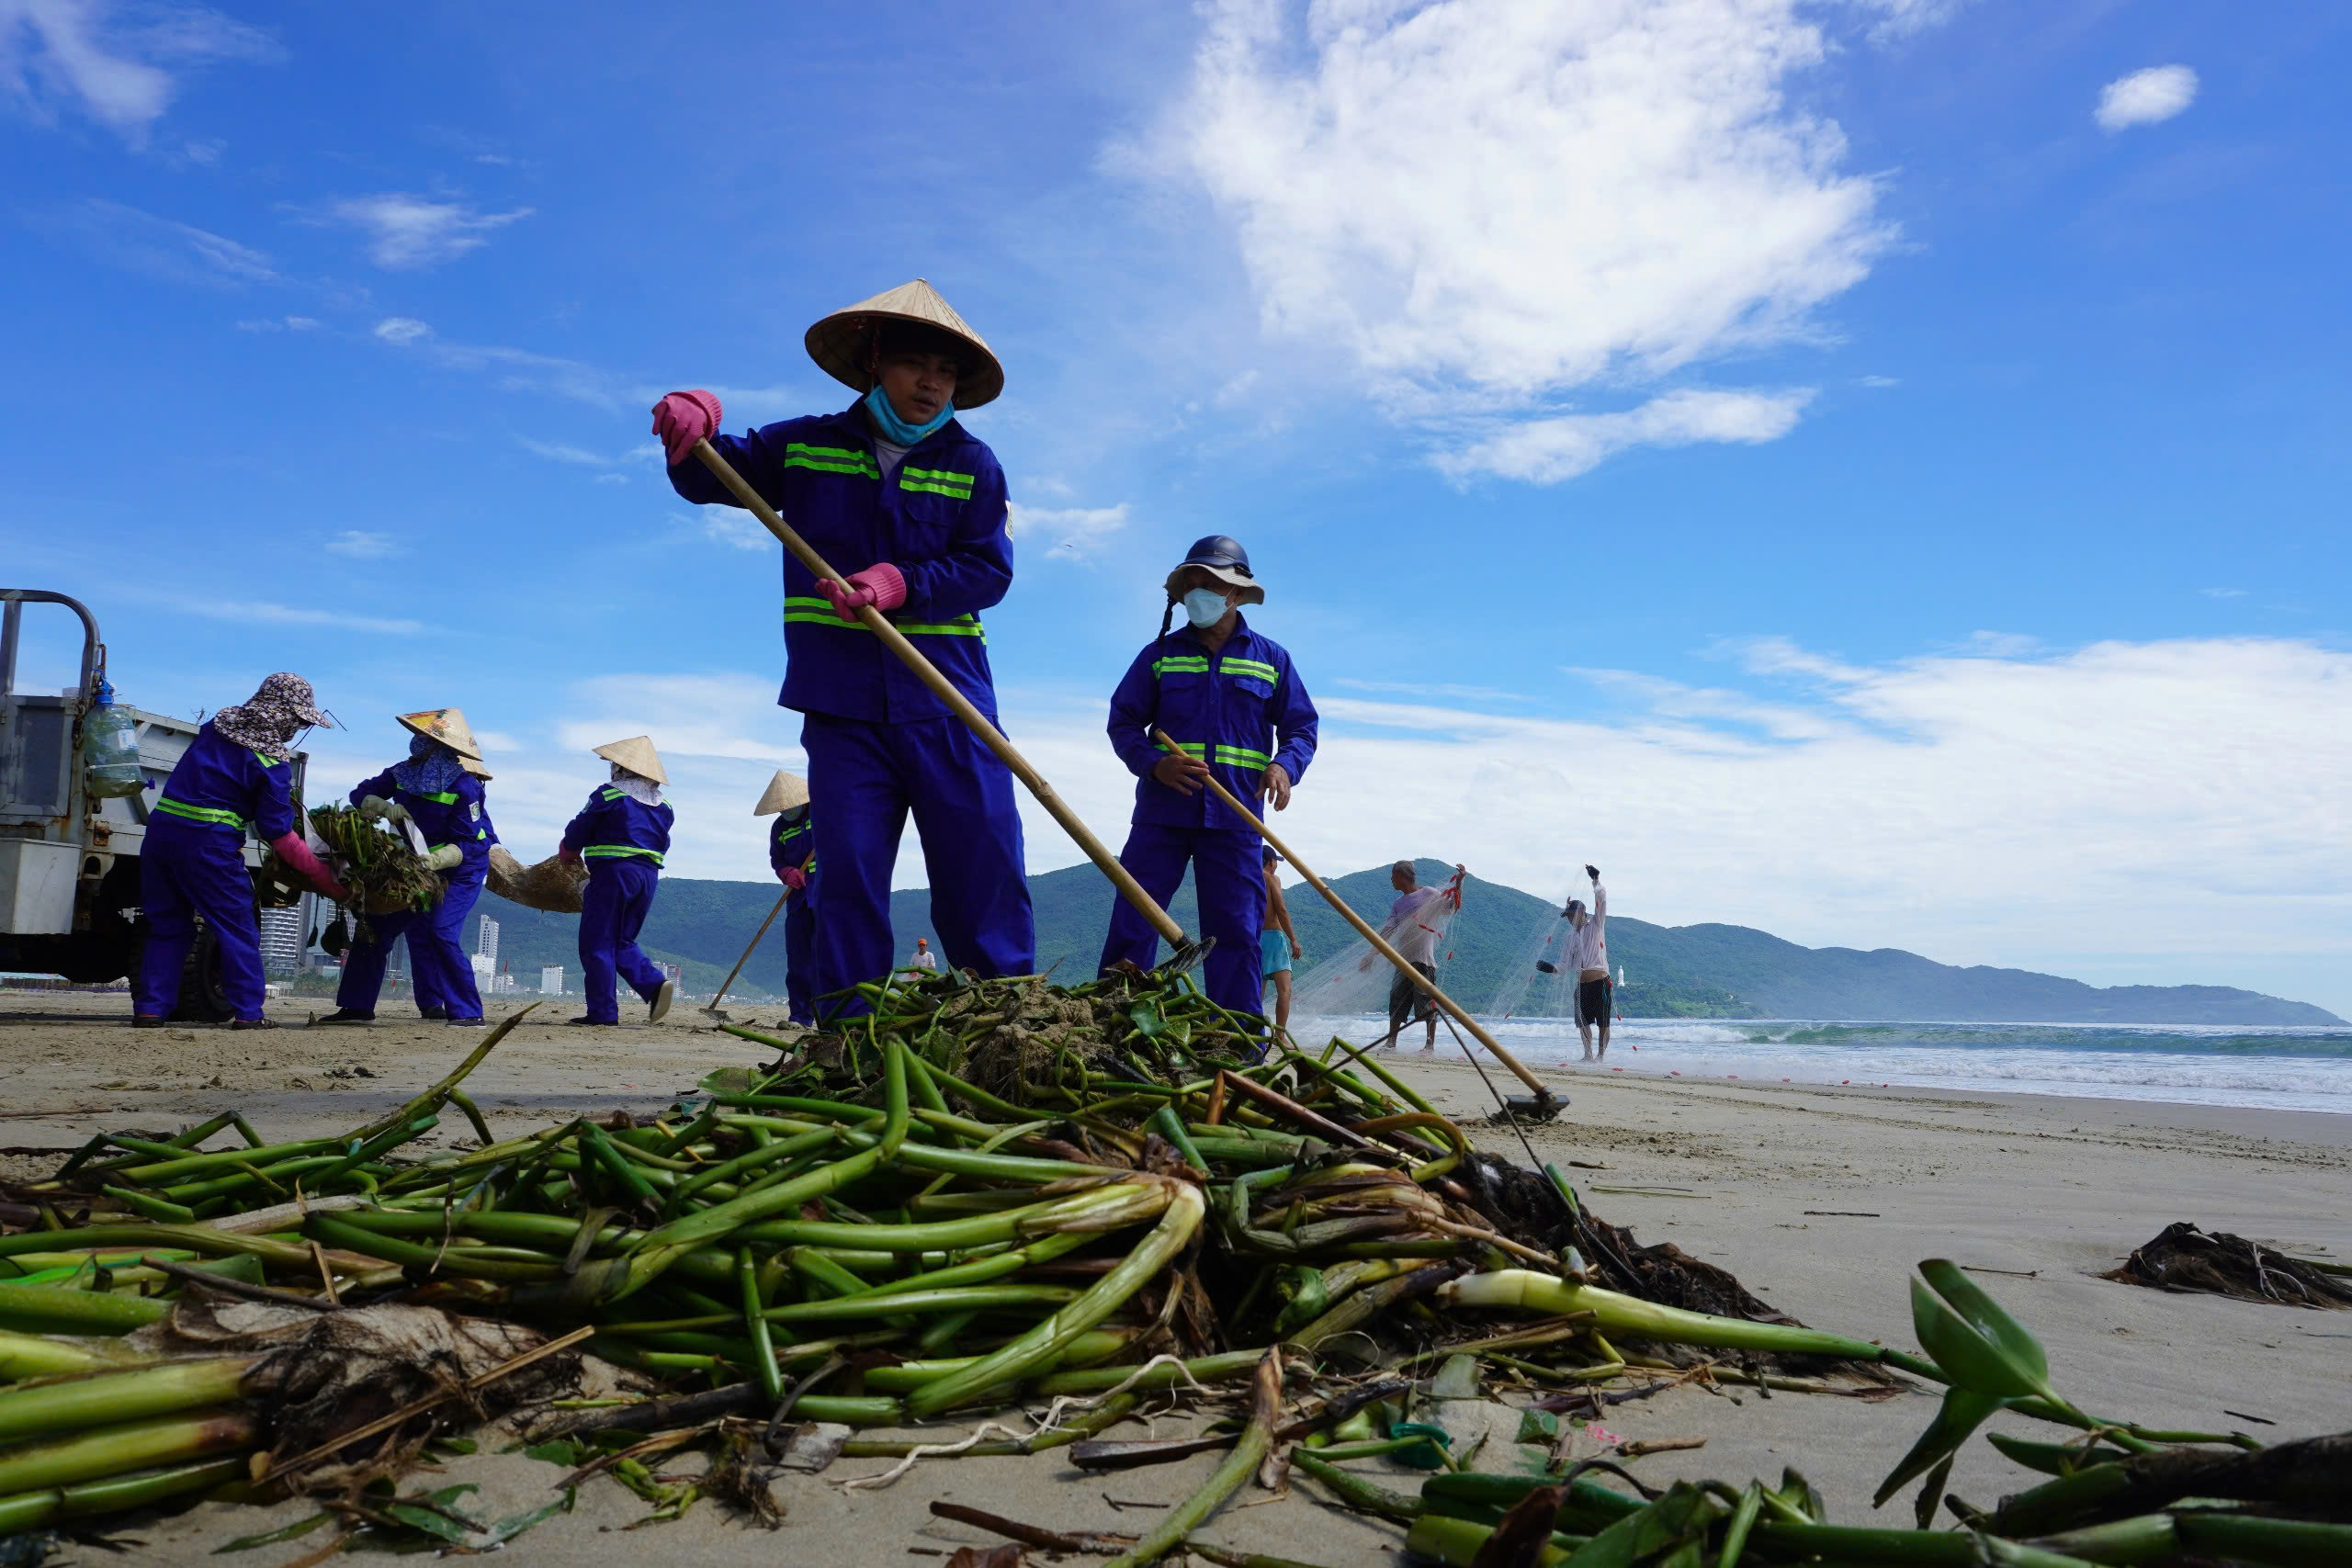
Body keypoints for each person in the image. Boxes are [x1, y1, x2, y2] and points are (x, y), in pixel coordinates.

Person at [653, 279, 1033, 1021]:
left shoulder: (975, 465)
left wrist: (903, 581)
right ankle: (846, 1038)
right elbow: (709, 473)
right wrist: (690, 425)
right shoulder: (804, 445)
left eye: (946, 373)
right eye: (917, 364)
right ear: (874, 364)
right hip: (842, 706)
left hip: (947, 703)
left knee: (981, 862)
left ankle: (1005, 1021)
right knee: (849, 874)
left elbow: (989, 572)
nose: (932, 383)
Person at [1098, 536, 1317, 1019]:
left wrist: (1284, 766)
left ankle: (1238, 1044)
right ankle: (1112, 1022)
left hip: (1237, 818)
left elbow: (1302, 727)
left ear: (1236, 593)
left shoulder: (1272, 659)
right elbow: (1123, 723)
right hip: (1161, 814)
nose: (1198, 593)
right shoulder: (1158, 656)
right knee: (1135, 919)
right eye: (1191, 584)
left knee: (1238, 932)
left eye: (1210, 584)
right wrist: (1155, 763)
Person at [133, 673, 346, 1029]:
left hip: (160, 835)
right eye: (298, 720)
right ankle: (249, 1013)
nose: (295, 729)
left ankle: (151, 1010)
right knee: (236, 927)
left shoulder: (217, 726)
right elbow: (278, 833)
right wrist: (323, 877)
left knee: (166, 925)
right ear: (285, 715)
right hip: (208, 845)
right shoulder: (271, 763)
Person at [319, 709, 497, 1026]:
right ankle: (357, 1006)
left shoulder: (464, 787)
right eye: (418, 737)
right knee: (374, 928)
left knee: (441, 931)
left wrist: (436, 861)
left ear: (440, 747)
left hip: (459, 869)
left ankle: (468, 1012)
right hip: (412, 864)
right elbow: (360, 794)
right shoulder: (401, 773)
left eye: (425, 739)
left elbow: (468, 842)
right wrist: (384, 807)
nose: (417, 743)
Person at [560, 737, 677, 1027]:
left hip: (614, 874)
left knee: (596, 941)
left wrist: (569, 850)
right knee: (622, 939)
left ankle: (602, 1013)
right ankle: (653, 985)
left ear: (621, 768)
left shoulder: (608, 795)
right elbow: (665, 843)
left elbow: (579, 828)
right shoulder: (664, 806)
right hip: (648, 877)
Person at [1370, 862, 1464, 1054]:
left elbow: (1451, 907)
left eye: (1392, 876)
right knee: (1396, 1001)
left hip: (1423, 960)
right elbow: (1387, 931)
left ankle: (1429, 1045)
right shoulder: (1398, 904)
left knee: (1426, 1002)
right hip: (1402, 961)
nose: (1390, 880)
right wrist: (1370, 955)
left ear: (1402, 876)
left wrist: (1459, 882)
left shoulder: (1428, 893)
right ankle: (1391, 1043)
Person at [753, 769, 818, 1026]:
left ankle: (833, 1017)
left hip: (828, 893)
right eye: (781, 808)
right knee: (798, 958)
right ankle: (800, 1016)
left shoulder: (823, 813)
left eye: (789, 807)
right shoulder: (779, 827)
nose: (786, 811)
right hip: (798, 897)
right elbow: (776, 859)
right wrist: (785, 871)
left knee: (829, 955)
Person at [1565, 863, 1611, 1060]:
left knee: (1603, 1023)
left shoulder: (1596, 925)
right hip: (1581, 984)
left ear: (1581, 914)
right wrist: (1550, 968)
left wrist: (1596, 881)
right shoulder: (1570, 938)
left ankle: (1600, 1056)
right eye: (1567, 917)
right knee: (1582, 1022)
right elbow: (1565, 965)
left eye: (1571, 916)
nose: (1569, 920)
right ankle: (1587, 1054)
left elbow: (1601, 899)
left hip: (1600, 981)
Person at [1260, 844, 1301, 1036]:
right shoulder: (1272, 878)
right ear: (1270, 862)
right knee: (1284, 990)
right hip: (1273, 938)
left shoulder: (1251, 878)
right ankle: (1280, 1035)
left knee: (1257, 991)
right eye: (1275, 861)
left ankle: (1254, 1031)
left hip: (1255, 937)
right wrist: (1293, 939)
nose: (1276, 865)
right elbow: (1281, 909)